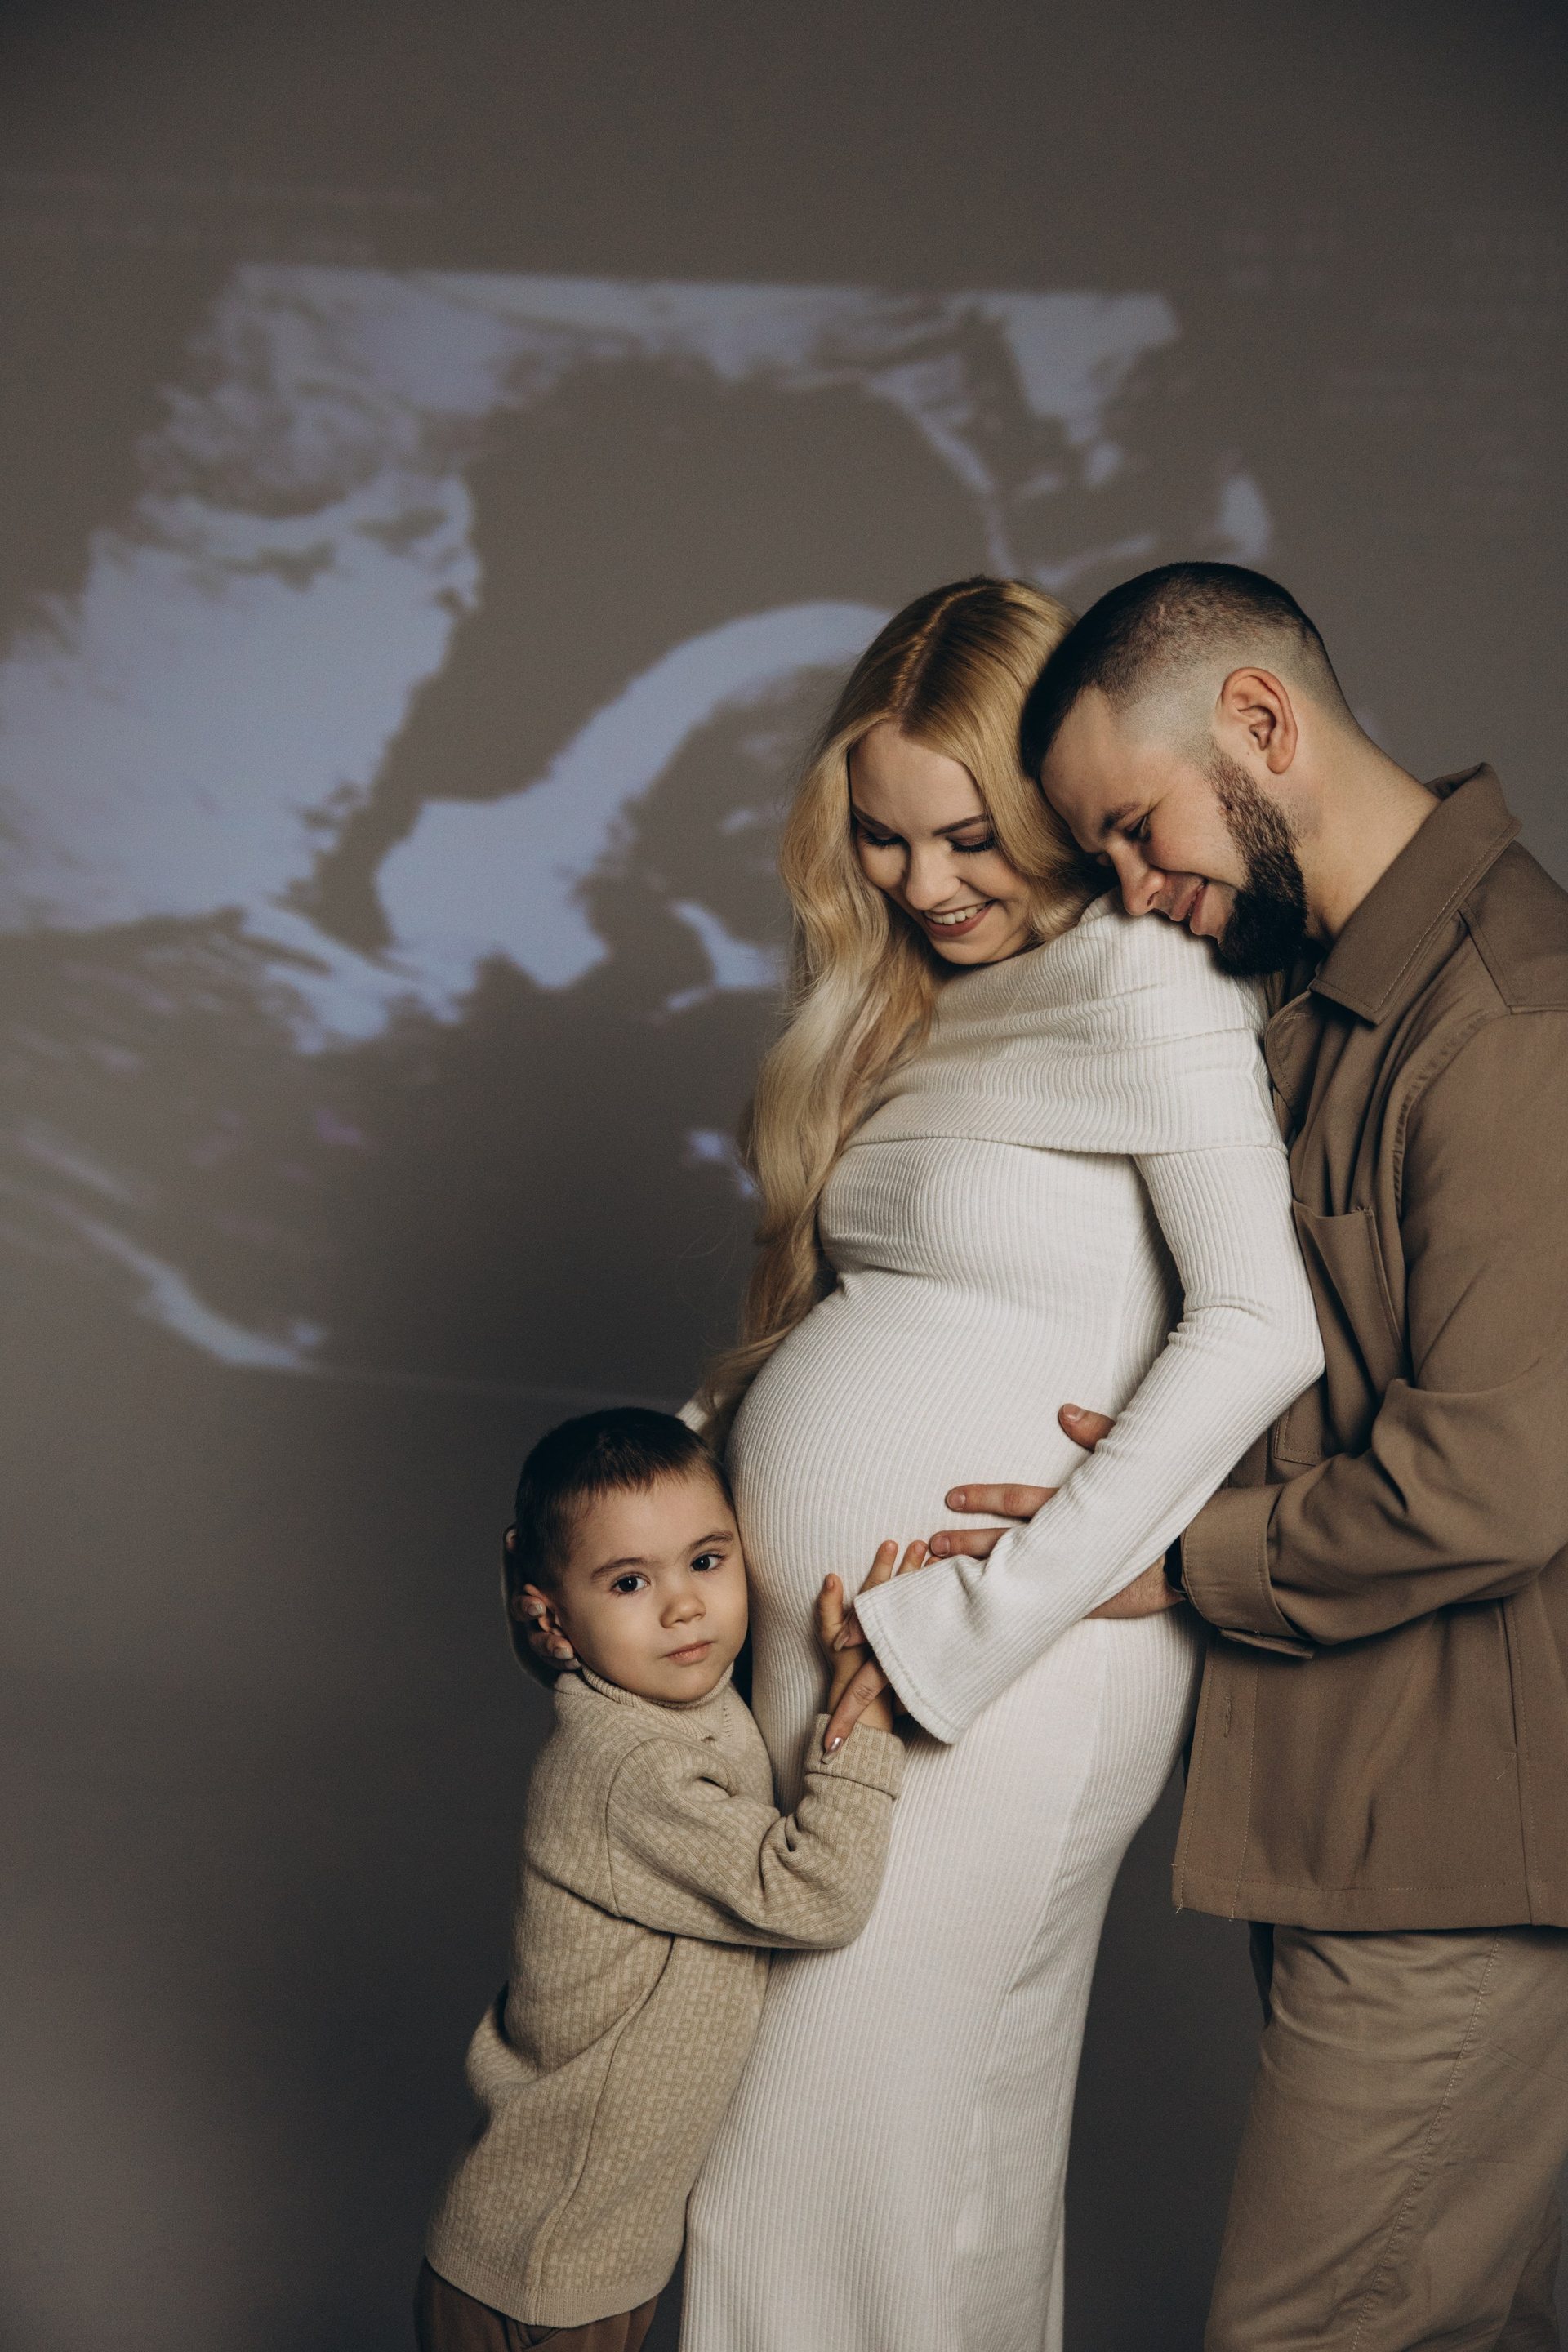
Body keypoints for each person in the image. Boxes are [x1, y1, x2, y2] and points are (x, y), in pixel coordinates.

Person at [519, 579, 1321, 2350]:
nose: (926, 881)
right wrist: (667, 1505)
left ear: (1053, 806)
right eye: (882, 839)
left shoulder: (1145, 982)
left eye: (969, 837)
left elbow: (1263, 1323)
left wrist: (976, 1624)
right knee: (826, 2166)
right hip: (845, 1665)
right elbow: (859, 1313)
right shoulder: (915, 1006)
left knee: (860, 2160)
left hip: (994, 1671)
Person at [911, 561, 1568, 2349]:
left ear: (1261, 722)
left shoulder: (1510, 1017)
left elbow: (1495, 1482)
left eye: (1137, 828)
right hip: (1368, 1819)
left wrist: (1169, 1556)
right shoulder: (1321, 995)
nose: (1134, 888)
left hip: (1460, 1854)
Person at [416, 1408, 906, 2352]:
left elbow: (634, 1584)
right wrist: (864, 1715)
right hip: (541, 2272)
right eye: (631, 1582)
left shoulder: (668, 1693)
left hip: (591, 2260)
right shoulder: (625, 1768)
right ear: (550, 1620)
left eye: (707, 1562)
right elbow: (818, 1894)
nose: (682, 1606)